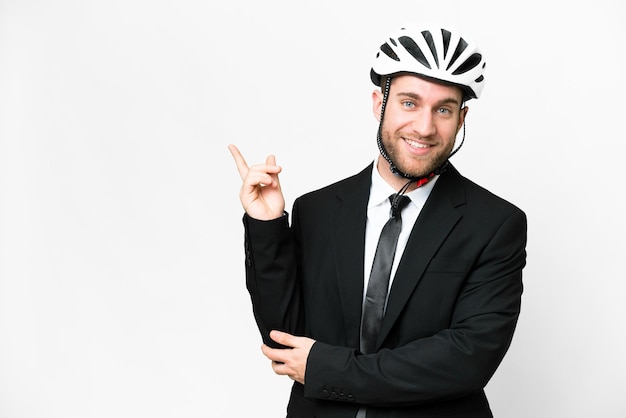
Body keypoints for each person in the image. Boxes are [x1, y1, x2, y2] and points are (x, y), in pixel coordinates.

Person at [229, 23, 527, 418]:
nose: (424, 127)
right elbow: (284, 340)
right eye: (409, 102)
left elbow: (466, 360)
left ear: (462, 118)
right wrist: (267, 225)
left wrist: (329, 368)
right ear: (378, 103)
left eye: (443, 109)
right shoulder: (317, 209)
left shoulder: (495, 224)